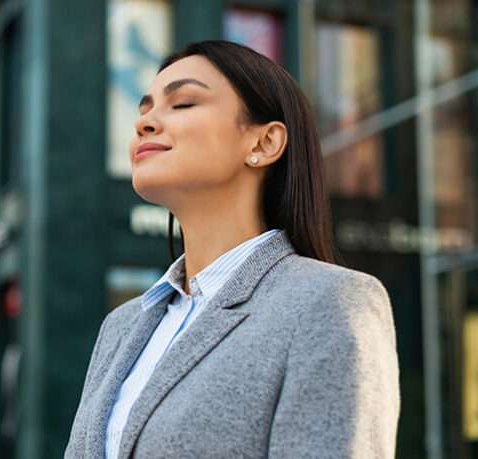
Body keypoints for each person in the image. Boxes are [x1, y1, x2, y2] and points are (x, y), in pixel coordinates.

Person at [64, 40, 400, 458]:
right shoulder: (122, 327)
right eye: (144, 109)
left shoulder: (331, 303)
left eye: (183, 103)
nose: (145, 124)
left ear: (264, 144)